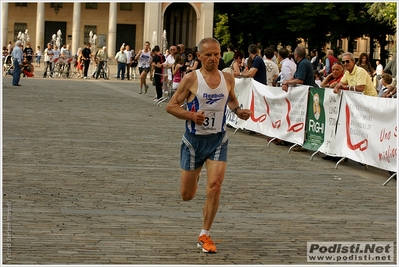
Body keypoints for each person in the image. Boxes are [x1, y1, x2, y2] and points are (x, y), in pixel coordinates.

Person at [166, 37, 252, 254]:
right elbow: (171, 106)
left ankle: (204, 234)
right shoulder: (190, 79)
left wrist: (237, 110)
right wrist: (191, 115)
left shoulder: (228, 78)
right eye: (209, 55)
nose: (214, 58)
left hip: (218, 140)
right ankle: (194, 178)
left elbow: (231, 99)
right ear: (199, 56)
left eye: (217, 54)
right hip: (193, 142)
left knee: (215, 186)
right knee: (187, 196)